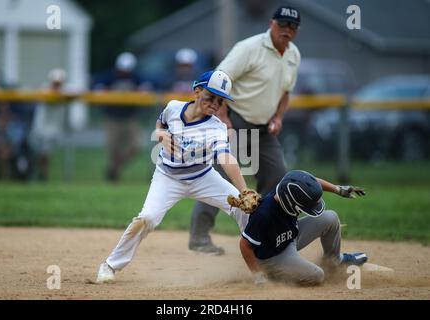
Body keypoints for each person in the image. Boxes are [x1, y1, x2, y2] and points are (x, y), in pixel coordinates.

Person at [96, 70, 253, 283]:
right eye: (211, 96)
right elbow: (160, 124)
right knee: (147, 218)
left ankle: (261, 261)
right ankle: (110, 265)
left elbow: (226, 158)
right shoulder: (173, 107)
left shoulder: (216, 127)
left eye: (221, 100)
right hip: (167, 177)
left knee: (244, 210)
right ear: (197, 91)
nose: (215, 103)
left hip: (203, 177)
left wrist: (243, 190)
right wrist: (160, 134)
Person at [189, 5, 302, 255]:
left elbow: (285, 92)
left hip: (264, 130)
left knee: (278, 179)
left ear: (297, 31)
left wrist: (279, 117)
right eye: (282, 24)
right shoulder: (249, 48)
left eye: (292, 27)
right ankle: (199, 238)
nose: (287, 30)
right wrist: (223, 116)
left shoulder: (294, 55)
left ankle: (263, 236)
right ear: (272, 23)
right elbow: (219, 80)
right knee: (217, 179)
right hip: (236, 121)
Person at [240, 170, 368, 286]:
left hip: (290, 236)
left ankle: (333, 262)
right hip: (273, 257)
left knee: (331, 218)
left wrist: (338, 189)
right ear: (290, 204)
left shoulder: (288, 189)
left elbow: (312, 182)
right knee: (317, 275)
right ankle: (274, 274)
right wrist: (258, 275)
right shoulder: (264, 214)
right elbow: (244, 245)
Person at [94, 52, 142, 182]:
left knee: (135, 146)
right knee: (113, 148)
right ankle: (114, 176)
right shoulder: (109, 77)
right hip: (112, 118)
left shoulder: (136, 78)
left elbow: (147, 85)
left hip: (129, 117)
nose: (124, 73)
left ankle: (115, 167)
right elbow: (96, 85)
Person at [29, 68, 67, 181]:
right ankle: (35, 174)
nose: (56, 85)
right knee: (35, 153)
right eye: (55, 83)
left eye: (59, 83)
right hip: (39, 127)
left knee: (45, 154)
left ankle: (43, 175)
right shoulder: (44, 89)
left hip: (53, 129)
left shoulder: (66, 91)